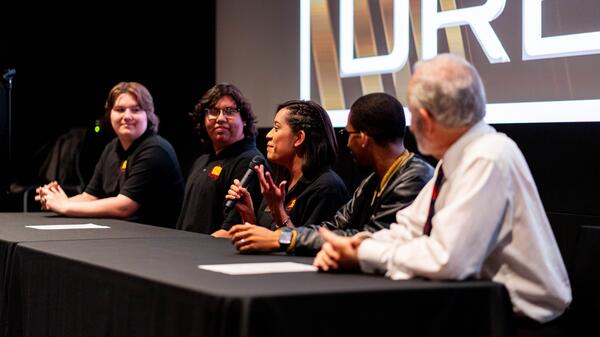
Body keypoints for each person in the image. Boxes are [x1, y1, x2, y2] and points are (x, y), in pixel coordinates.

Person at [314, 54, 572, 327]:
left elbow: (448, 261)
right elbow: (411, 229)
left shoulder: (488, 157)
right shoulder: (457, 158)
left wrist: (362, 255)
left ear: (425, 119)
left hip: (519, 322)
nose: (410, 125)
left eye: (412, 114)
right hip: (480, 309)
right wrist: (361, 245)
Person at [228, 93, 433, 255]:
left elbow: (373, 238)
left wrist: (281, 238)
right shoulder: (373, 180)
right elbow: (333, 227)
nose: (346, 143)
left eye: (347, 134)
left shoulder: (414, 178)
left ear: (363, 138)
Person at [36, 82, 184, 227]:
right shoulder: (112, 148)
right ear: (110, 114)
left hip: (156, 240)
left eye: (136, 110)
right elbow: (90, 196)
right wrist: (54, 199)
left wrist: (66, 206)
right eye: (120, 109)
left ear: (148, 115)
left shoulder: (155, 150)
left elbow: (124, 207)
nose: (127, 116)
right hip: (122, 235)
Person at [226, 100, 350, 252]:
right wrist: (249, 215)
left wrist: (277, 209)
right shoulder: (280, 181)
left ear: (299, 138)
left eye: (276, 128)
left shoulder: (327, 188)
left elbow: (306, 247)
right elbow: (266, 240)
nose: (269, 135)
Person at [176, 83, 265, 235]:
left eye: (229, 111)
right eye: (213, 111)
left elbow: (232, 230)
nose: (220, 118)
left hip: (215, 255)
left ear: (244, 119)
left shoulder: (250, 162)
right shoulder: (202, 161)